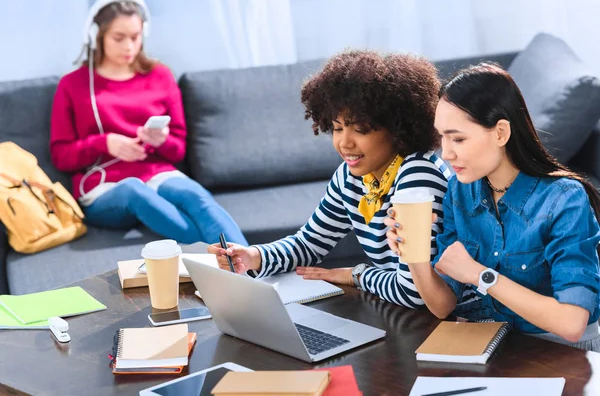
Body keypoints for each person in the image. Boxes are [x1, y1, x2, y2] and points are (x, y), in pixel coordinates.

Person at [208, 50, 451, 308]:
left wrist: (356, 275)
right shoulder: (352, 177)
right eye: (337, 128)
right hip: (400, 310)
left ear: (397, 129)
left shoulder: (417, 177)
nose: (344, 143)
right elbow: (309, 244)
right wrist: (253, 256)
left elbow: (414, 293)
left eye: (361, 129)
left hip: (448, 322)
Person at [385, 62, 600, 350]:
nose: (446, 153)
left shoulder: (565, 198)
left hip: (560, 352)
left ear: (500, 133)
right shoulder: (459, 192)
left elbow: (572, 323)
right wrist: (414, 253)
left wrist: (479, 275)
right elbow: (442, 305)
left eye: (458, 138)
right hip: (497, 346)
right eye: (442, 138)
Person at [50, 0, 247, 246]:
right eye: (119, 38)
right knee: (135, 190)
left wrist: (161, 141)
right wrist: (104, 143)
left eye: (135, 36)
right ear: (96, 36)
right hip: (104, 187)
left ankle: (252, 270)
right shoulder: (73, 85)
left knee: (194, 195)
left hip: (157, 174)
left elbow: (178, 149)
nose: (129, 46)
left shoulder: (160, 76)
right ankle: (218, 262)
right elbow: (60, 155)